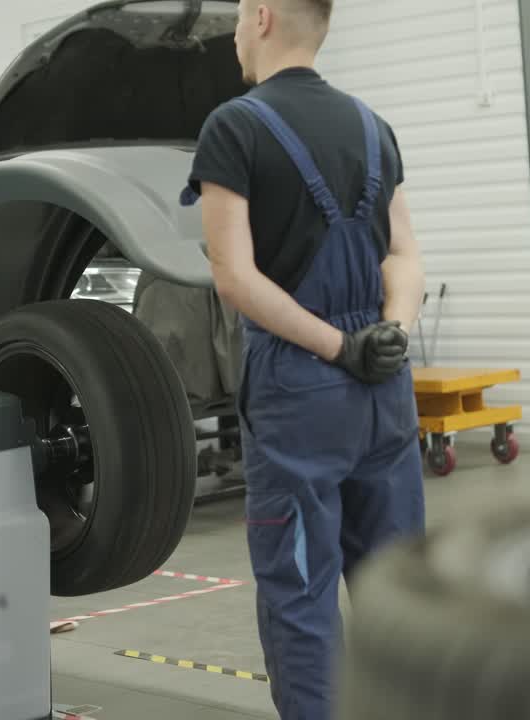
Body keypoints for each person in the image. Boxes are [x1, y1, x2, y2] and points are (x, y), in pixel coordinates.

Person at [181, 1, 426, 718]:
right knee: (401, 591)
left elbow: (235, 277)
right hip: (384, 383)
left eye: (234, 15)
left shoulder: (234, 127)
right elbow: (404, 255)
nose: (230, 32)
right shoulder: (373, 129)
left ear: (261, 16)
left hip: (301, 383)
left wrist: (335, 347)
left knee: (302, 599)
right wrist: (392, 335)